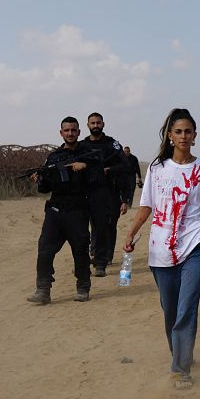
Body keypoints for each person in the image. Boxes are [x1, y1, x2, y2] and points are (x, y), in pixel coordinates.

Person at [123, 108, 200, 390]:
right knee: (170, 311)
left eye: (188, 131)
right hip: (161, 250)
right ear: (170, 136)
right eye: (178, 132)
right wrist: (131, 233)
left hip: (196, 246)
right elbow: (147, 206)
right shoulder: (157, 168)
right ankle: (180, 352)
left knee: (187, 308)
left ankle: (180, 369)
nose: (184, 136)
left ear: (195, 135)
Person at [27, 116, 96, 305]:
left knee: (80, 252)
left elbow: (100, 173)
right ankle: (43, 290)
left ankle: (83, 287)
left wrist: (86, 166)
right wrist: (39, 180)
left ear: (79, 132)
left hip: (78, 211)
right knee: (45, 251)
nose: (70, 133)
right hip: (55, 211)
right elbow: (45, 188)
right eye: (67, 130)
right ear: (61, 133)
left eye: (74, 130)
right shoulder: (54, 157)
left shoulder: (90, 153)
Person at [80, 112, 129, 277]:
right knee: (82, 229)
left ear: (103, 124)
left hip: (108, 192)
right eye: (92, 123)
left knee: (105, 226)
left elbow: (124, 166)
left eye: (98, 123)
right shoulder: (82, 145)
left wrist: (108, 170)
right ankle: (89, 259)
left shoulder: (112, 144)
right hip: (85, 192)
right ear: (87, 125)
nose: (95, 125)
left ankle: (103, 259)